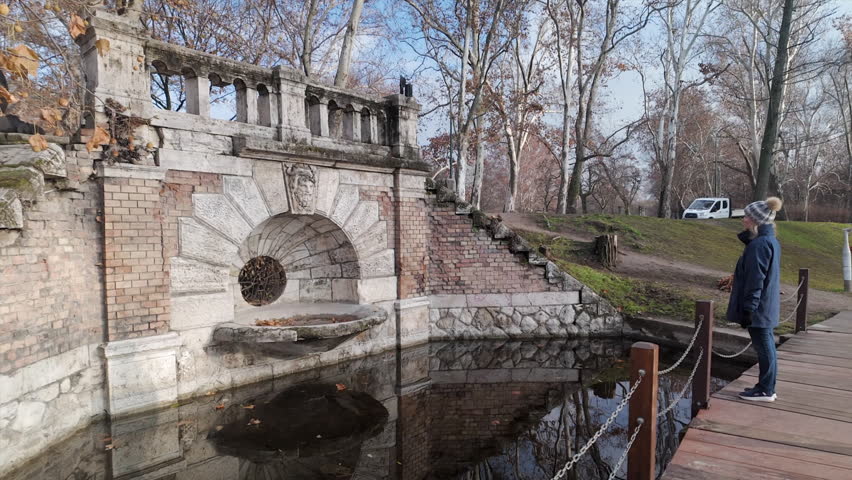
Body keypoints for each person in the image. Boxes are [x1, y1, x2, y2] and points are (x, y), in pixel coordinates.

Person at [726, 197, 783, 402]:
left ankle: (766, 389)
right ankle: (766, 387)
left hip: (759, 307)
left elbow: (756, 280)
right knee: (767, 345)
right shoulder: (769, 241)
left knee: (765, 347)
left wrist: (749, 309)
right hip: (766, 305)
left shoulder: (759, 245)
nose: (744, 219)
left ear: (757, 221)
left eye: (748, 217)